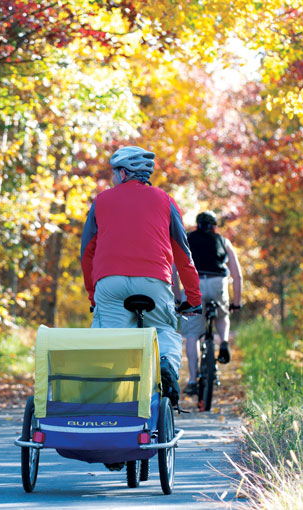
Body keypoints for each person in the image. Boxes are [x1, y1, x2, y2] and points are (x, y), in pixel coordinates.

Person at [80, 145, 202, 409]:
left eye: (115, 172)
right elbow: (183, 254)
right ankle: (166, 365)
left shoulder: (101, 201)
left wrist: (93, 296)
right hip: (154, 282)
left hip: (109, 282)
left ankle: (107, 396)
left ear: (124, 173)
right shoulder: (165, 200)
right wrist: (193, 298)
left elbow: (86, 253)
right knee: (164, 330)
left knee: (108, 342)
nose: (114, 177)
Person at [179, 210, 243, 396]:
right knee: (222, 315)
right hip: (217, 284)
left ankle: (193, 380)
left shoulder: (187, 240)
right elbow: (237, 275)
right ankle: (223, 341)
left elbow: (174, 269)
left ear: (196, 225)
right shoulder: (223, 241)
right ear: (215, 226)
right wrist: (236, 302)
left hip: (194, 284)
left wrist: (177, 297)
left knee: (192, 334)